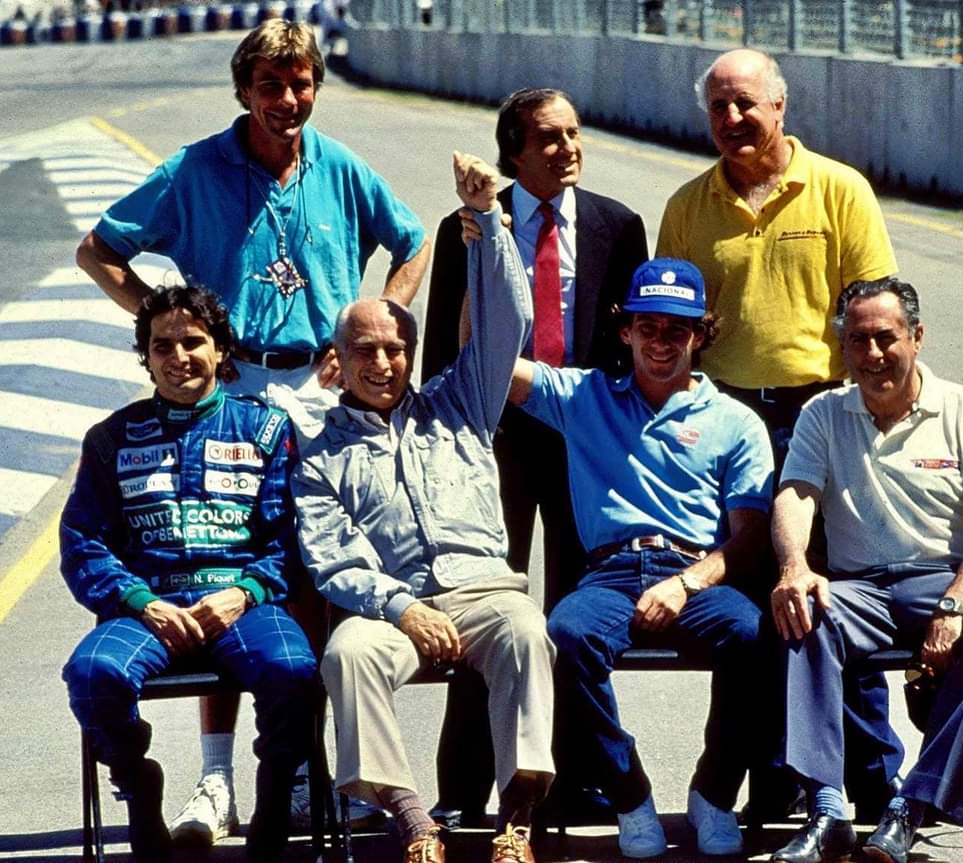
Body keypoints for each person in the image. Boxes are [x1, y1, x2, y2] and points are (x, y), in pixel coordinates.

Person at [75, 19, 430, 840]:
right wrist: (176, 330)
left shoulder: (337, 167)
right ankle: (212, 777)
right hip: (233, 384)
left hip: (320, 382)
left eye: (300, 83)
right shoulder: (196, 168)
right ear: (243, 92)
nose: (288, 100)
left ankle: (310, 765)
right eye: (270, 85)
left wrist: (375, 324)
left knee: (318, 567)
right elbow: (100, 250)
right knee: (219, 556)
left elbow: (411, 241)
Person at [656, 47, 903, 819]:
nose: (731, 121)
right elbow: (670, 328)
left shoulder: (839, 190)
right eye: (718, 108)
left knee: (838, 593)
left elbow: (876, 310)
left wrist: (869, 413)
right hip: (728, 418)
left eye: (746, 106)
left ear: (781, 106)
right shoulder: (689, 205)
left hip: (823, 414)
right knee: (748, 601)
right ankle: (765, 778)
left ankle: (870, 779)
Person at [292, 152, 554, 863]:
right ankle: (412, 819)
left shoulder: (460, 403)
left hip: (482, 591)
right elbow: (330, 555)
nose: (383, 364)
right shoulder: (319, 448)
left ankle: (517, 822)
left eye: (396, 349)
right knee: (346, 653)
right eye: (366, 351)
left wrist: (487, 220)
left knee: (528, 632)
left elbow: (507, 320)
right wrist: (402, 607)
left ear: (412, 354)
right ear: (337, 361)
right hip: (394, 608)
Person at [420, 85, 648, 826]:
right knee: (484, 604)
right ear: (513, 153)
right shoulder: (471, 227)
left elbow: (629, 354)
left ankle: (578, 779)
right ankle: (463, 786)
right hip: (497, 442)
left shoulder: (618, 225)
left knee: (578, 612)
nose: (568, 148)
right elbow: (439, 354)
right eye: (548, 139)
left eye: (575, 133)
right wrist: (439, 444)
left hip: (583, 440)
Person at [504, 255, 774, 858]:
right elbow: (490, 360)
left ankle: (713, 792)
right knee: (565, 637)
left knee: (757, 638)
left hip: (696, 572)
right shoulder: (583, 394)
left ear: (701, 334)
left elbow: (750, 535)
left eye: (677, 329)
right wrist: (482, 239)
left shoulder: (736, 422)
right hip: (611, 571)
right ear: (624, 329)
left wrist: (685, 585)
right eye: (648, 327)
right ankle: (630, 794)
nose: (661, 342)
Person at [768, 277, 963, 863]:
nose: (874, 354)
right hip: (861, 587)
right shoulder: (824, 413)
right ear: (843, 348)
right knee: (804, 611)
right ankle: (827, 810)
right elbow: (795, 495)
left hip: (947, 580)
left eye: (886, 337)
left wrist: (956, 605)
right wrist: (793, 568)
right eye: (858, 341)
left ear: (917, 336)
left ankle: (912, 806)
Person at [60, 285, 318, 863]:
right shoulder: (110, 438)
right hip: (150, 608)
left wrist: (244, 592)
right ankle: (137, 783)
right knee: (92, 673)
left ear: (222, 350)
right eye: (162, 346)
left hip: (241, 606)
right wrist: (137, 599)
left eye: (193, 342)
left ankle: (274, 797)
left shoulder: (269, 431)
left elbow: (291, 541)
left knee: (296, 671)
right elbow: (81, 544)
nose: (179, 357)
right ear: (145, 356)